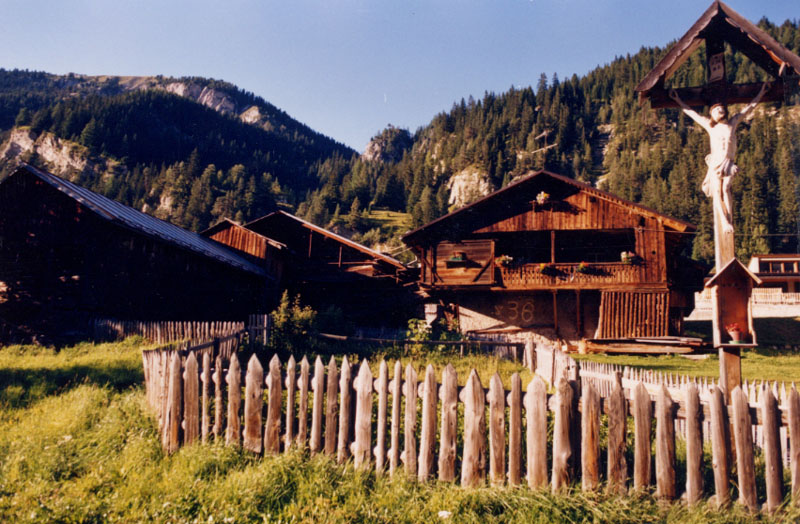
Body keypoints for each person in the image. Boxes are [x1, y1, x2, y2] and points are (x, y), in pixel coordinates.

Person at [669, 84, 769, 233]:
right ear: (712, 115)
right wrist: (678, 100)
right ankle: (724, 221)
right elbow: (692, 114)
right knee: (717, 191)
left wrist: (762, 92)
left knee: (726, 188)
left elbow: (749, 107)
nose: (720, 110)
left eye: (721, 108)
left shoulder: (732, 123)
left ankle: (729, 220)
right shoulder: (711, 127)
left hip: (728, 162)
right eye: (716, 110)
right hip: (716, 162)